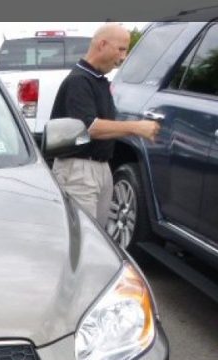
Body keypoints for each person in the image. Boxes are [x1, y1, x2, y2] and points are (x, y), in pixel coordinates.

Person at [50, 23, 160, 226]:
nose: (123, 57)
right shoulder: (79, 81)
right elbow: (89, 127)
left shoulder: (98, 80)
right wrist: (137, 127)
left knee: (98, 238)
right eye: (121, 49)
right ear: (102, 44)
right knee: (83, 237)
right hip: (78, 170)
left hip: (100, 168)